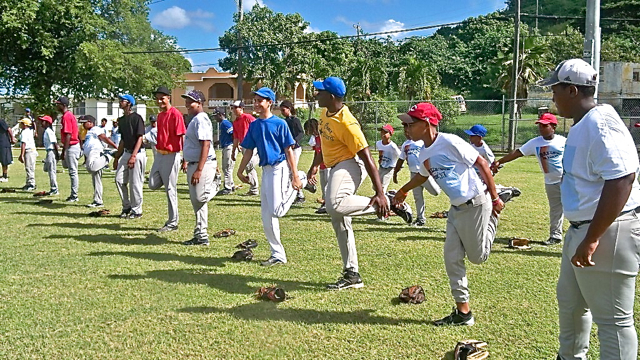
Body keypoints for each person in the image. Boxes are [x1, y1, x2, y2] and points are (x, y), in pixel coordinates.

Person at [539, 59, 640, 360]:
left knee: (613, 321)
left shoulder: (601, 123)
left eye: (555, 90)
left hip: (608, 230)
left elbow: (622, 178)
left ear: (571, 90)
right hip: (584, 228)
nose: (552, 97)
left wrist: (593, 237)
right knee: (571, 305)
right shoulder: (586, 124)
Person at [393, 102, 515, 326]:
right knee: (452, 259)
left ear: (428, 123)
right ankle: (463, 313)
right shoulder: (423, 152)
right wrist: (403, 191)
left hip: (477, 203)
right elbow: (422, 176)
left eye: (411, 123)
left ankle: (496, 212)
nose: (406, 128)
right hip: (456, 209)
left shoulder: (450, 142)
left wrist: (495, 197)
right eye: (404, 124)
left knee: (478, 258)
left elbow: (482, 164)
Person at [308, 77, 409, 290]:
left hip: (350, 164)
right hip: (335, 165)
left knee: (333, 204)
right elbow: (325, 144)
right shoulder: (325, 112)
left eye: (320, 92)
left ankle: (390, 202)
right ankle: (352, 274)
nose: (316, 95)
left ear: (332, 96)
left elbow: (367, 158)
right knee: (338, 217)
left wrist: (379, 193)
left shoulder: (348, 123)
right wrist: (315, 166)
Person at [236, 87, 306, 265]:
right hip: (266, 169)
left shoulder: (280, 124)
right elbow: (248, 151)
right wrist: (240, 170)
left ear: (270, 103)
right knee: (267, 216)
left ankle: (303, 180)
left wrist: (296, 175)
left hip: (279, 167)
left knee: (277, 210)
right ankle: (278, 255)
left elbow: (288, 150)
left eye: (261, 100)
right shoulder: (254, 125)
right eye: (256, 100)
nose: (257, 103)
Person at [491, 113, 566, 246]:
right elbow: (518, 153)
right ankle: (555, 235)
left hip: (568, 180)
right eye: (540, 126)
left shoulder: (563, 141)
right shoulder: (535, 142)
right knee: (555, 209)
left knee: (574, 206)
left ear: (553, 126)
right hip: (551, 182)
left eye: (545, 125)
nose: (541, 128)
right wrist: (499, 161)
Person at [180, 90, 220, 246]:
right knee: (197, 203)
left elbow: (206, 144)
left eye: (191, 101)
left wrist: (199, 169)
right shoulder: (195, 119)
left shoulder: (201, 119)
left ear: (199, 103)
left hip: (202, 164)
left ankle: (216, 183)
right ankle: (201, 235)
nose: (187, 104)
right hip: (193, 163)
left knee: (200, 197)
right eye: (187, 101)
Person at [148, 86, 186, 232]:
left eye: (162, 98)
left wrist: (185, 158)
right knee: (152, 183)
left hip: (172, 154)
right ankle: (167, 179)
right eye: (157, 98)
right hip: (160, 154)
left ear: (168, 97)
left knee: (170, 188)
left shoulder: (176, 114)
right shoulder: (160, 116)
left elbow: (182, 136)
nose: (159, 101)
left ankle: (172, 222)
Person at [393, 123, 441, 226]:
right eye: (405, 132)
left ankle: (438, 182)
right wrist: (395, 173)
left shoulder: (420, 142)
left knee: (436, 192)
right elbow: (401, 160)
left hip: (424, 173)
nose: (407, 133)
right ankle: (420, 219)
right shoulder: (405, 144)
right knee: (418, 197)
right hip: (413, 174)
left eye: (408, 131)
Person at [113, 94, 146, 219]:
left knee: (135, 183)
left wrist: (133, 156)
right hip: (126, 152)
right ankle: (126, 206)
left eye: (123, 100)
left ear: (130, 103)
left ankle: (137, 210)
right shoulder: (121, 120)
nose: (120, 102)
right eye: (120, 100)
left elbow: (140, 138)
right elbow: (122, 140)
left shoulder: (137, 118)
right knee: (119, 179)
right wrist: (117, 157)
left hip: (137, 153)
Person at [80, 115, 117, 207]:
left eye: (84, 122)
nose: (83, 125)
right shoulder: (89, 132)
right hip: (91, 154)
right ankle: (98, 201)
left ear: (90, 122)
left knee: (91, 168)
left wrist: (115, 147)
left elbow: (104, 138)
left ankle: (109, 155)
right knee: (96, 179)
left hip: (96, 152)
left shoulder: (95, 129)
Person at [231, 100, 259, 196]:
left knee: (249, 165)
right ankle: (253, 189)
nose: (233, 110)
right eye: (233, 108)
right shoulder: (235, 122)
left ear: (241, 108)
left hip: (253, 145)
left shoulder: (247, 117)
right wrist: (233, 151)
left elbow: (257, 127)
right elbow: (236, 137)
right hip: (244, 147)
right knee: (248, 168)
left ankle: (252, 184)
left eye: (235, 107)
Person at [56, 96, 81, 202]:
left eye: (58, 104)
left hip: (71, 146)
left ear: (64, 105)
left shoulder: (66, 116)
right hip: (73, 145)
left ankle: (74, 195)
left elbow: (68, 135)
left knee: (73, 172)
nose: (56, 106)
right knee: (68, 168)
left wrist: (64, 151)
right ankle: (73, 194)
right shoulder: (69, 115)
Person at [280, 100, 305, 204]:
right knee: (288, 170)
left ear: (289, 109)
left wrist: (295, 141)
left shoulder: (295, 120)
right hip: (287, 148)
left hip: (295, 149)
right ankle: (298, 191)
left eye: (283, 110)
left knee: (292, 170)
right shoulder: (284, 121)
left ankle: (300, 194)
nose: (282, 112)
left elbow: (301, 132)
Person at [304, 118, 329, 214]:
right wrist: (315, 166)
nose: (310, 133)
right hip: (322, 165)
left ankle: (327, 204)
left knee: (328, 185)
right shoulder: (316, 138)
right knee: (323, 185)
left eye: (310, 130)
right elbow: (316, 153)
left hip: (328, 164)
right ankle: (325, 202)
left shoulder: (323, 137)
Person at [213, 107, 235, 196]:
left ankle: (228, 187)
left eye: (216, 116)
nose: (215, 118)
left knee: (227, 167)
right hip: (226, 146)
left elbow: (233, 133)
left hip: (229, 146)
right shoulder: (223, 123)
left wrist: (234, 145)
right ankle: (231, 185)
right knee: (227, 167)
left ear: (220, 115)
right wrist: (219, 141)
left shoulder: (225, 123)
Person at [375, 124, 400, 194]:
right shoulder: (378, 143)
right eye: (381, 132)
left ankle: (382, 199)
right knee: (376, 184)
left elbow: (400, 155)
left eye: (385, 132)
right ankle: (379, 195)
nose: (383, 134)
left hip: (389, 168)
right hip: (382, 166)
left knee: (383, 185)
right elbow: (380, 153)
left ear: (390, 134)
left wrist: (398, 166)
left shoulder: (393, 146)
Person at [39, 115, 59, 195]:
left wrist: (57, 154)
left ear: (47, 123)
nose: (41, 123)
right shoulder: (46, 131)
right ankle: (53, 187)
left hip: (52, 151)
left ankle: (54, 189)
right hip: (49, 151)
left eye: (43, 121)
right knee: (47, 169)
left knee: (51, 170)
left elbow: (54, 143)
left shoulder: (49, 131)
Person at [18, 118, 37, 191]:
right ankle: (28, 182)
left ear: (25, 124)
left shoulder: (24, 132)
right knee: (30, 167)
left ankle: (31, 184)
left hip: (29, 151)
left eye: (21, 123)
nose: (20, 125)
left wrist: (21, 155)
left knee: (29, 168)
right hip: (32, 151)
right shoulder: (29, 131)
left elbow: (24, 143)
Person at [0, 117, 15, 182]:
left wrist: (12, 138)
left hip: (3, 144)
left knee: (4, 161)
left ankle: (5, 176)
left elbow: (9, 129)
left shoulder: (1, 121)